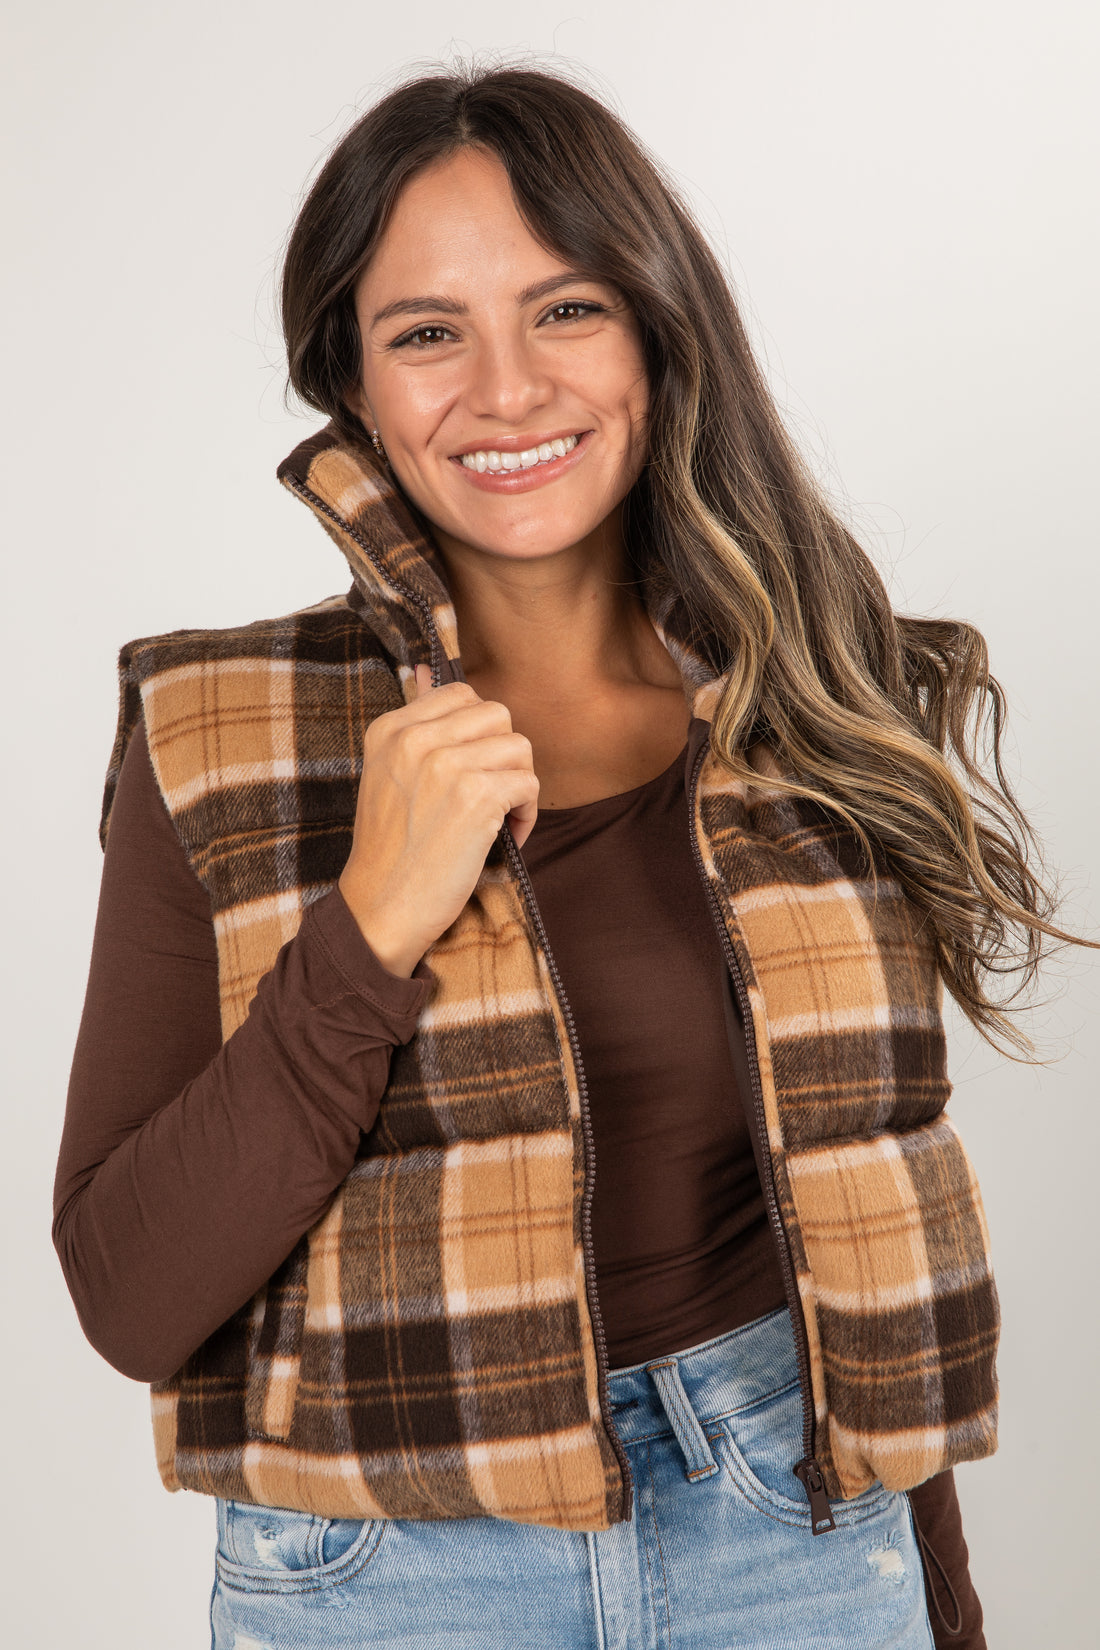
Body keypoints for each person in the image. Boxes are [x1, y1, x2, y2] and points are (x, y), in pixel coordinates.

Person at [55, 62, 1068, 1650]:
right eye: (428, 332)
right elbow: (130, 1294)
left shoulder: (815, 691)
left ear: (656, 330)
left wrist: (943, 1606)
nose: (509, 388)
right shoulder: (216, 726)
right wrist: (369, 925)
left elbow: (856, 1229)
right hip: (391, 1574)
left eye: (567, 308)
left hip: (797, 1534)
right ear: (353, 380)